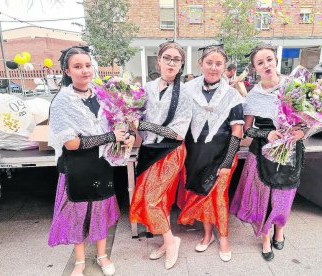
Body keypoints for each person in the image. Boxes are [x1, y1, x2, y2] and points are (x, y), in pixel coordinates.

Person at [48, 46, 135, 276]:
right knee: (77, 215)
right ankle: (79, 261)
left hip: (101, 164)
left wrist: (125, 134)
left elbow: (117, 122)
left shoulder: (102, 94)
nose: (84, 71)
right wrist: (109, 137)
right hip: (76, 167)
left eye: (87, 65)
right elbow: (72, 143)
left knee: (99, 211)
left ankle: (102, 255)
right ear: (67, 71)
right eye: (77, 67)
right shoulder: (62, 102)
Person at [230, 45, 305, 262]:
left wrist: (302, 133)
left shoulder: (294, 88)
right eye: (260, 63)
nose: (267, 65)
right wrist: (267, 133)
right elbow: (248, 129)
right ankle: (264, 236)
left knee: (284, 196)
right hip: (262, 154)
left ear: (276, 60)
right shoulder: (254, 95)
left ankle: (279, 229)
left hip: (290, 152)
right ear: (255, 68)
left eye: (269, 60)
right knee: (263, 198)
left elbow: (307, 122)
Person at [177, 45, 244, 262]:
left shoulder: (232, 95)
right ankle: (207, 235)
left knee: (219, 197)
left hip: (222, 154)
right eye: (209, 63)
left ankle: (223, 237)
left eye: (218, 64)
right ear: (201, 64)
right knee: (202, 195)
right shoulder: (187, 90)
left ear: (225, 67)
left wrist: (226, 162)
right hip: (194, 153)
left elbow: (237, 130)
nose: (213, 68)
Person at [130, 42, 192, 270]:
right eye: (167, 58)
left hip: (170, 152)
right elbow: (134, 116)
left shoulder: (185, 93)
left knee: (151, 200)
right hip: (148, 150)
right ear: (158, 60)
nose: (171, 62)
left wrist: (144, 124)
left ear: (181, 64)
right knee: (159, 200)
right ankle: (166, 242)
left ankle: (171, 240)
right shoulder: (146, 88)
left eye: (176, 59)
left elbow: (177, 133)